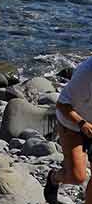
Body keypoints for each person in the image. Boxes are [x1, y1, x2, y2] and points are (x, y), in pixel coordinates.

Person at [44, 56, 92, 204]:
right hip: (72, 123)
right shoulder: (86, 73)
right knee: (77, 177)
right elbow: (62, 104)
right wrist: (82, 123)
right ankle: (54, 178)